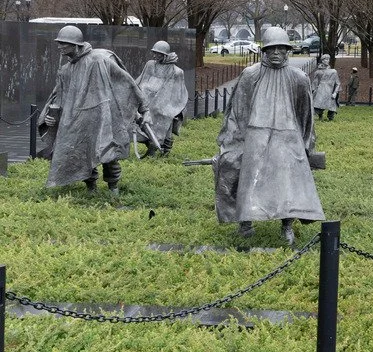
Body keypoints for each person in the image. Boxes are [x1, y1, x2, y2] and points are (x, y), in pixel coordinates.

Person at [214, 27, 324, 245]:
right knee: (248, 178)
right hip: (256, 134)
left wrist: (305, 143)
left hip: (288, 137)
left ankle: (287, 225)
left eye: (281, 48)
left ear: (287, 51)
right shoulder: (251, 74)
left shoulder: (298, 78)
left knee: (288, 183)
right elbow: (239, 110)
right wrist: (235, 140)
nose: (276, 53)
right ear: (264, 50)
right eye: (271, 48)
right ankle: (245, 223)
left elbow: (305, 114)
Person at [37, 25, 150, 195]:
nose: (60, 46)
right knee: (82, 154)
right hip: (78, 120)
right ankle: (91, 188)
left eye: (64, 43)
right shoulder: (66, 70)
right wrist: (49, 117)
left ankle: (114, 190)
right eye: (59, 43)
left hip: (103, 116)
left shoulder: (99, 59)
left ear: (76, 44)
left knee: (108, 154)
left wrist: (144, 109)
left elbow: (127, 82)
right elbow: (58, 96)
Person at [134, 40, 189, 157]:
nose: (155, 56)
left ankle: (163, 149)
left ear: (165, 54)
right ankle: (150, 143)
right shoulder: (150, 65)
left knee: (163, 116)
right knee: (143, 119)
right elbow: (141, 81)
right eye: (154, 53)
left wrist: (166, 106)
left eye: (158, 54)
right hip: (148, 100)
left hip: (165, 104)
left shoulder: (176, 72)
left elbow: (176, 93)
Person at [312, 54, 341, 121]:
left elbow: (337, 83)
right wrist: (313, 91)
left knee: (331, 106)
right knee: (318, 103)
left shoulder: (333, 72)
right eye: (325, 59)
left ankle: (330, 117)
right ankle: (320, 115)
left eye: (328, 59)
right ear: (322, 60)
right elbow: (315, 83)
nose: (327, 61)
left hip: (329, 92)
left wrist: (335, 93)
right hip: (320, 91)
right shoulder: (318, 72)